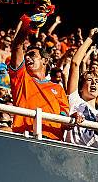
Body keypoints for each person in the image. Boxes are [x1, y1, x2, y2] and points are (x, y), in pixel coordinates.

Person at [9, 7, 69, 140]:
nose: (27, 58)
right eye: (26, 55)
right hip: (25, 138)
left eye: (32, 55)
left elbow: (64, 118)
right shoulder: (21, 78)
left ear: (45, 60)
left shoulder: (58, 88)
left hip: (53, 142)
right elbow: (17, 46)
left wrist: (73, 120)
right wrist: (29, 25)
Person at [65, 27, 98, 148]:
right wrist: (90, 38)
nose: (93, 83)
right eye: (89, 80)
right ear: (81, 88)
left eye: (96, 81)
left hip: (94, 160)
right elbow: (75, 63)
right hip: (72, 154)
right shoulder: (74, 99)